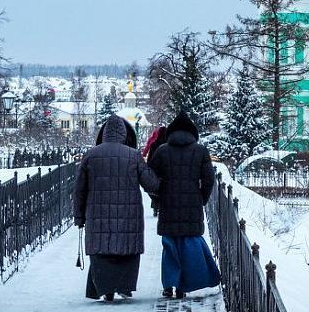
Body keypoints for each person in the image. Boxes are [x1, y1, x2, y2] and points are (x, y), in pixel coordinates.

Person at [75, 115, 159, 302]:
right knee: (126, 249)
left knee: (102, 250)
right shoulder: (133, 155)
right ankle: (124, 286)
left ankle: (106, 289)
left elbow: (79, 189)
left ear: (103, 134)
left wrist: (79, 217)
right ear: (124, 134)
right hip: (128, 216)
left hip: (97, 216)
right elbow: (151, 184)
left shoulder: (91, 155)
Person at [149, 112, 220, 299]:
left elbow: (151, 179)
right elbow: (208, 179)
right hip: (192, 206)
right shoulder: (201, 151)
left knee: (170, 246)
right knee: (188, 246)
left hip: (168, 205)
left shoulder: (162, 151)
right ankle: (183, 286)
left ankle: (168, 285)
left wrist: (157, 198)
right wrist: (201, 199)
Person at [142, 125, 168, 216]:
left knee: (154, 188)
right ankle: (161, 205)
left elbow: (149, 154)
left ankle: (155, 205)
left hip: (154, 168)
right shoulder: (168, 144)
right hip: (165, 169)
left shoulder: (154, 143)